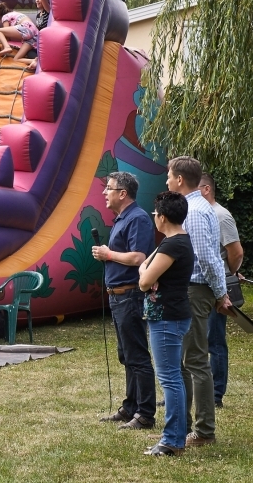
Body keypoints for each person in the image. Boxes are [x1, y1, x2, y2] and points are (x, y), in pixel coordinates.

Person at [166, 156, 231, 447]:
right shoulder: (195, 207)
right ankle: (183, 426)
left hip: (195, 291)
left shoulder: (193, 211)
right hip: (190, 290)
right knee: (185, 361)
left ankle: (204, 431)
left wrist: (221, 293)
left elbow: (207, 258)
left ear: (180, 179)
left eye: (169, 176)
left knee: (194, 360)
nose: (166, 180)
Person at [93, 171, 156, 430]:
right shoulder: (122, 218)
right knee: (126, 354)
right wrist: (107, 255)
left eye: (108, 188)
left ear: (123, 193)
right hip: (119, 297)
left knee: (137, 355)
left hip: (130, 295)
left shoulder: (138, 218)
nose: (104, 193)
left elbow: (139, 258)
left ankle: (145, 414)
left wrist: (109, 255)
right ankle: (131, 406)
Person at [139, 191, 194, 456]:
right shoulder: (175, 241)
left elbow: (144, 280)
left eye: (155, 214)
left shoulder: (172, 245)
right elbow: (145, 266)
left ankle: (172, 440)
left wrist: (145, 273)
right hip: (173, 315)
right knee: (174, 378)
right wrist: (146, 270)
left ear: (162, 217)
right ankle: (177, 434)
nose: (154, 218)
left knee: (170, 379)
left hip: (166, 319)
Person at [199, 173, 243, 408]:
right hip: (199, 288)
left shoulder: (221, 215)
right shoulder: (199, 213)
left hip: (217, 286)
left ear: (206, 190)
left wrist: (230, 274)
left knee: (214, 341)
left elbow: (235, 252)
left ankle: (216, 395)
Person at [13, 0, 51, 69]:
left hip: (47, 42)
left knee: (18, 58)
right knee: (28, 54)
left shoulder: (48, 11)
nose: (37, 0)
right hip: (38, 43)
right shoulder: (38, 15)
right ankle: (36, 61)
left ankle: (37, 60)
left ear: (46, 0)